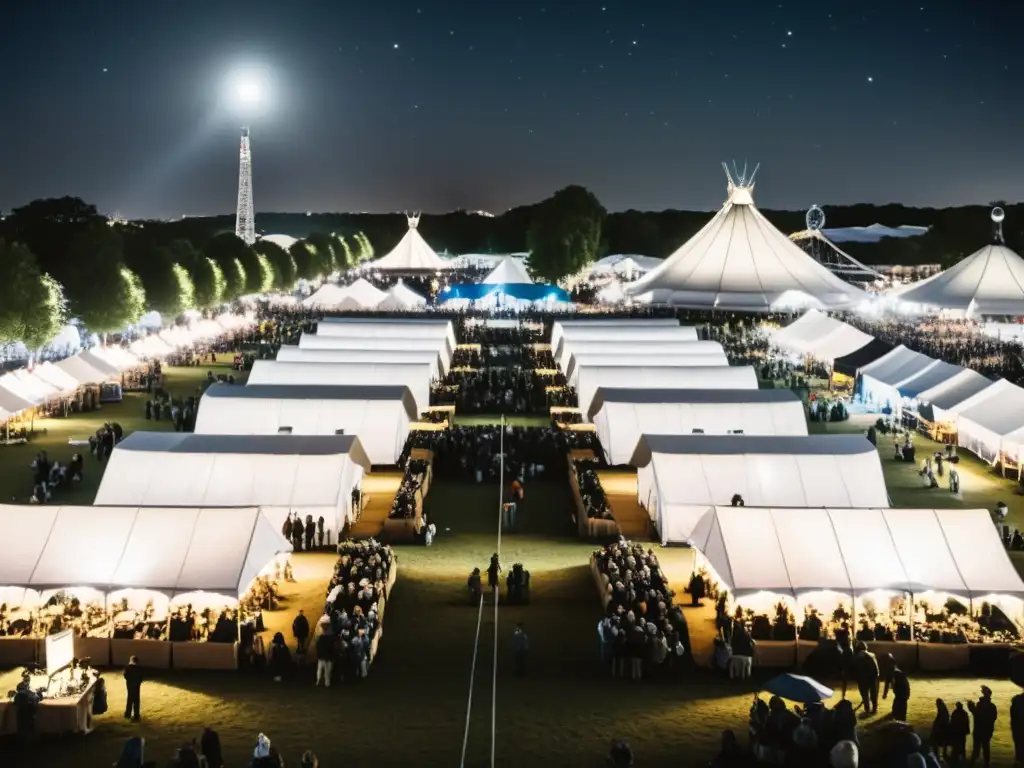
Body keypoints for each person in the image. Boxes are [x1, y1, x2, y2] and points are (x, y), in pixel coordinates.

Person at [969, 685, 998, 766]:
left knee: (977, 749)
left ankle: (972, 763)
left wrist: (972, 709)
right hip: (986, 731)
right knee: (985, 748)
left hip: (979, 731)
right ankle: (985, 764)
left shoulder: (980, 705)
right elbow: (992, 718)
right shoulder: (991, 706)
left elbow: (977, 715)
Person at [853, 642, 879, 715]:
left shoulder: (856, 656)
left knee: (864, 694)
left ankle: (867, 709)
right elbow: (876, 667)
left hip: (862, 678)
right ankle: (874, 709)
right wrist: (876, 675)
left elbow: (855, 668)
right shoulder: (872, 655)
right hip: (872, 677)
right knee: (873, 693)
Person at [123, 656, 144, 722]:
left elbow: (125, 675)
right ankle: (136, 715)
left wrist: (129, 680)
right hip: (137, 685)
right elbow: (141, 677)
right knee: (136, 700)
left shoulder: (128, 667)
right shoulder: (139, 668)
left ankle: (128, 714)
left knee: (130, 699)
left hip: (130, 685)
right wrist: (138, 683)